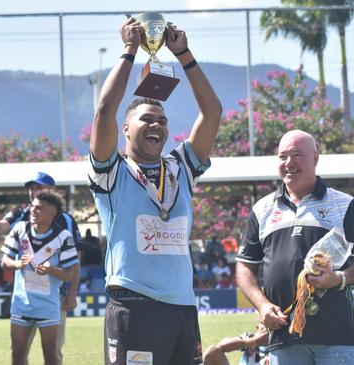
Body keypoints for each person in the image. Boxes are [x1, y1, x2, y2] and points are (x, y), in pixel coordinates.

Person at [88, 16, 222, 365]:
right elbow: (104, 111)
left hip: (182, 307)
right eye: (146, 119)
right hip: (135, 305)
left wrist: (185, 55)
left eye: (162, 121)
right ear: (126, 129)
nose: (157, 125)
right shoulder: (112, 172)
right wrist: (130, 49)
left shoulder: (180, 168)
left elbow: (212, 113)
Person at [235, 130, 354, 364]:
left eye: (297, 154)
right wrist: (263, 306)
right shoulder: (262, 209)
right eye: (282, 156)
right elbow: (244, 267)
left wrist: (338, 278)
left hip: (336, 336)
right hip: (283, 338)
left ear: (315, 159)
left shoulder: (345, 205)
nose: (289, 162)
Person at [0, 171, 82, 365]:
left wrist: (71, 294)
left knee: (53, 353)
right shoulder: (21, 213)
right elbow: (2, 227)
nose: (33, 191)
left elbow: (75, 260)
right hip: (24, 298)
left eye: (38, 187)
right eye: (31, 187)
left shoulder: (66, 220)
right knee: (19, 353)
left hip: (56, 297)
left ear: (51, 191)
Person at [203, 323, 268, 365]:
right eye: (262, 323)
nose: (266, 326)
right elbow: (222, 345)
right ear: (257, 326)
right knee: (212, 352)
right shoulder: (250, 336)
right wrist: (252, 341)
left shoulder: (278, 341)